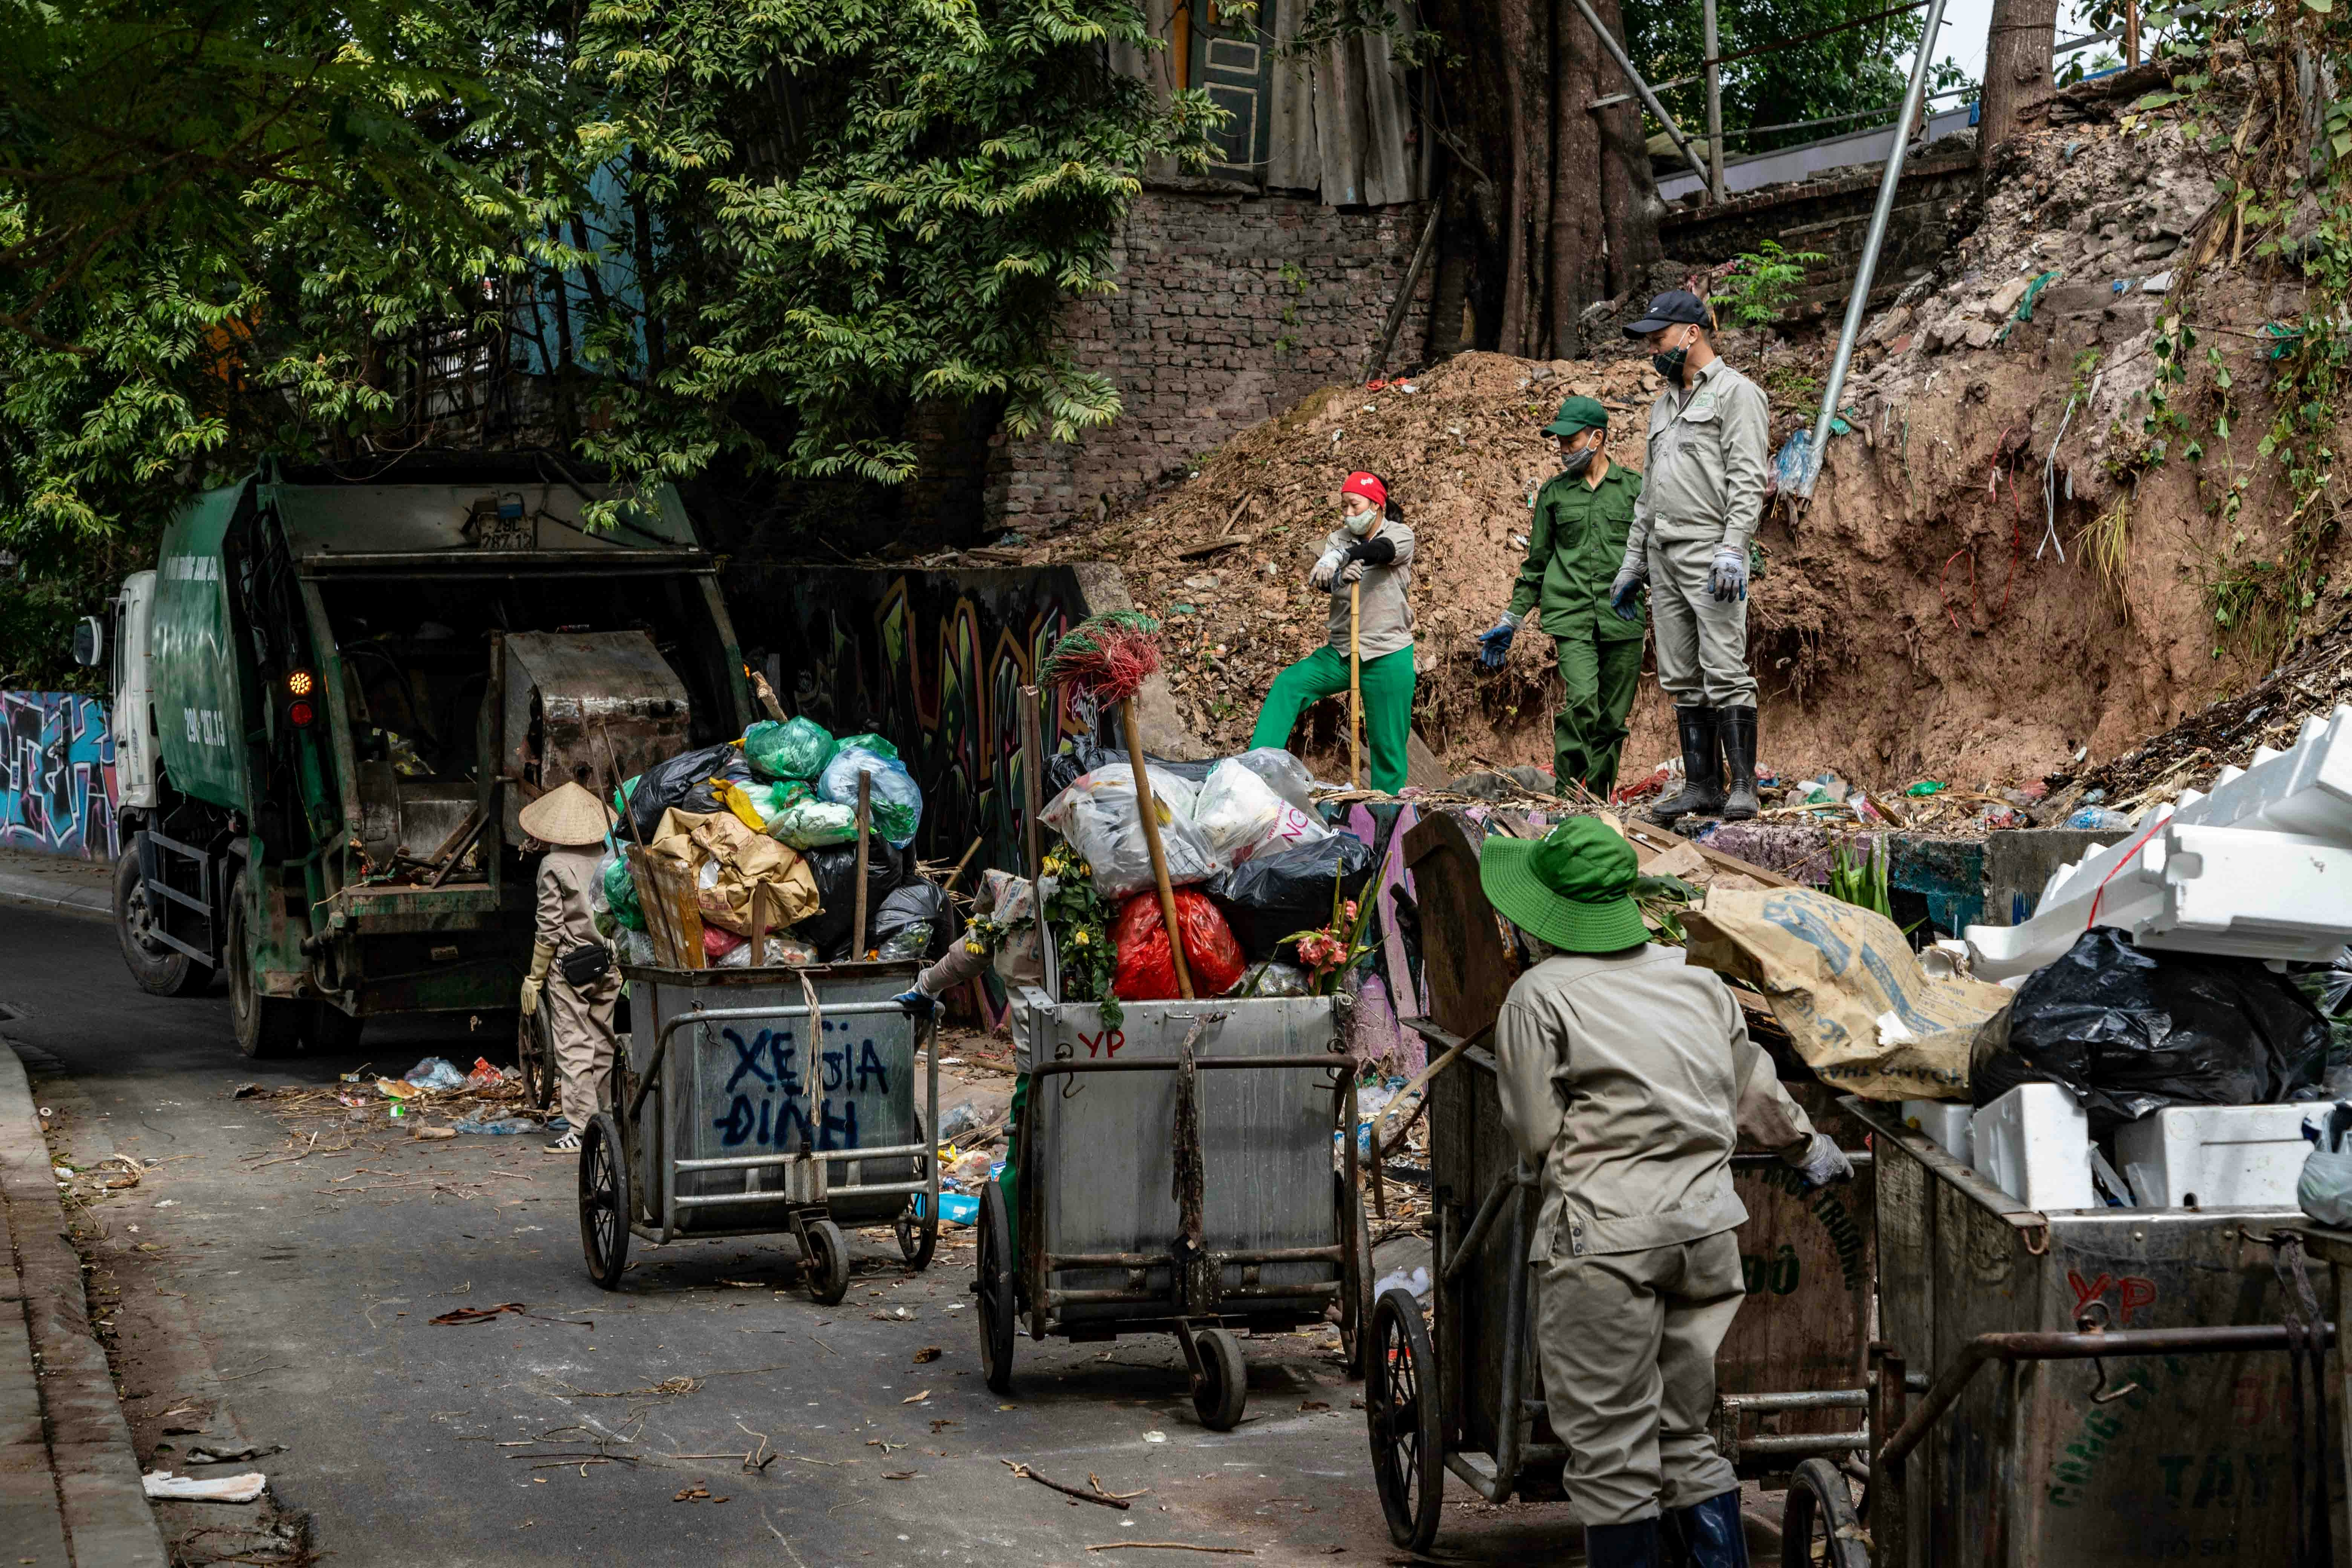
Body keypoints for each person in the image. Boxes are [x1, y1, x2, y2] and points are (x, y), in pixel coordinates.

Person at [1480, 816, 1851, 1566]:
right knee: (1684, 1434)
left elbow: (1533, 1131)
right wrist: (1808, 1146)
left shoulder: (1539, 996)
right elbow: (1756, 1092)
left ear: (1551, 910)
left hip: (1606, 1242)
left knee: (1616, 1456)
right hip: (1705, 1237)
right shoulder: (1699, 983)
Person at [1609, 291, 1771, 827]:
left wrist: (1734, 547)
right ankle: (1702, 785)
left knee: (1725, 667)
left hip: (1711, 551)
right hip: (1664, 552)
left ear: (1692, 333)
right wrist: (1633, 562)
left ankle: (1743, 785)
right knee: (1681, 675)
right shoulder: (1663, 406)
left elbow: (1748, 480)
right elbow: (1648, 493)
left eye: (1659, 339)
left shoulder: (1735, 394)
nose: (1653, 350)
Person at [1478, 395, 1646, 797]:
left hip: (1622, 618)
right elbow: (1537, 563)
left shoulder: (1635, 490)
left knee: (1613, 718)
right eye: (1560, 442)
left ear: (1598, 437)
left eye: (1571, 441)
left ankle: (1599, 797)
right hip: (1571, 615)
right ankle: (1568, 793)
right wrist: (1510, 619)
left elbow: (1653, 551)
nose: (1563, 449)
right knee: (1583, 700)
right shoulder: (1554, 495)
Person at [1249, 471, 1416, 793]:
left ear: (1377, 504)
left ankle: (1384, 813)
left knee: (1389, 746)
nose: (1348, 514)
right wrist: (1336, 578)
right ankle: (1256, 772)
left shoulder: (1400, 534)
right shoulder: (1337, 539)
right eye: (1344, 507)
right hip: (1342, 650)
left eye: (1355, 506)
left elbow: (1381, 551)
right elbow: (1326, 584)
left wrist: (1346, 556)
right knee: (1290, 684)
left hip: (1387, 651)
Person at [517, 781, 623, 1155]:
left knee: (574, 1047)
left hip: (570, 967)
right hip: (608, 962)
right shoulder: (611, 856)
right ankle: (606, 1122)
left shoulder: (553, 864)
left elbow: (549, 930)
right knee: (603, 1042)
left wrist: (534, 977)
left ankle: (580, 1130)